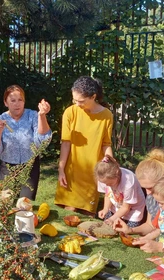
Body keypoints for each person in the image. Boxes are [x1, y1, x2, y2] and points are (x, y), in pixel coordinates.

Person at [54, 76, 113, 216]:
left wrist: (110, 161)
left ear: (93, 97)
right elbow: (66, 143)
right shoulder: (70, 112)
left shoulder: (107, 115)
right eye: (74, 99)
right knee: (69, 212)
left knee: (88, 214)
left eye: (80, 101)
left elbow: (106, 144)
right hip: (72, 169)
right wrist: (61, 169)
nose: (76, 103)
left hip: (92, 171)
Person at [0, 85, 52, 200]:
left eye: (20, 100)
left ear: (24, 101)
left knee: (24, 205)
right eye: (13, 100)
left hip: (30, 167)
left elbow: (43, 138)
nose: (17, 104)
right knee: (5, 204)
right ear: (6, 103)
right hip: (7, 169)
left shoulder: (32, 116)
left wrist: (42, 115)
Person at [95, 155, 145, 227]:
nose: (107, 185)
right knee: (108, 228)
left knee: (126, 232)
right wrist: (105, 209)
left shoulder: (128, 182)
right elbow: (108, 194)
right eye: (105, 184)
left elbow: (126, 207)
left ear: (117, 174)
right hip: (116, 206)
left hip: (132, 212)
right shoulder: (103, 178)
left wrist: (112, 219)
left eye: (110, 183)